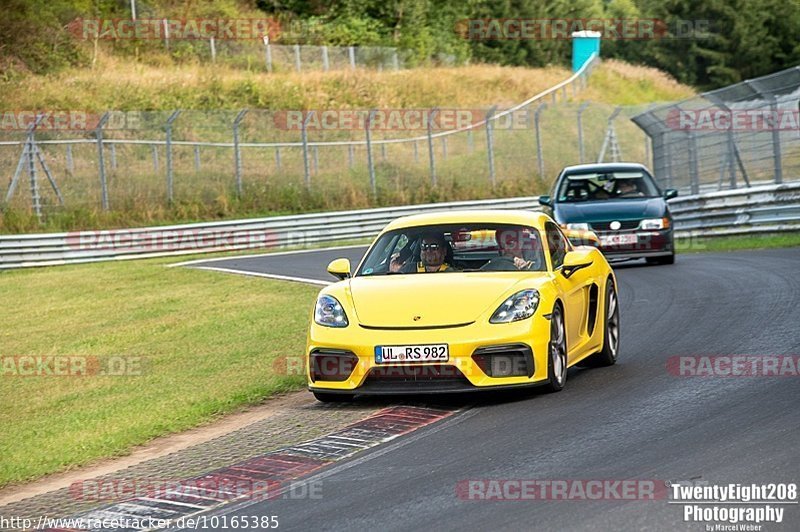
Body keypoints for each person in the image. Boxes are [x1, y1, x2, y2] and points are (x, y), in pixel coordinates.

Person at [390, 232, 455, 273]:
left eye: (434, 247)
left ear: (444, 251)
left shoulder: (454, 274)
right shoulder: (408, 269)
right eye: (425, 246)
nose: (429, 250)